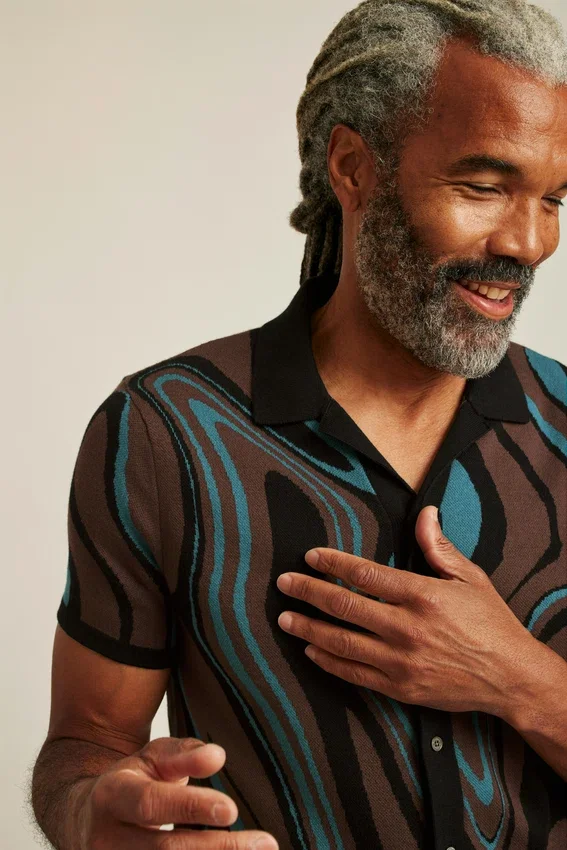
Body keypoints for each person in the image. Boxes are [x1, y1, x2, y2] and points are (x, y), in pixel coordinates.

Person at [31, 1, 567, 849]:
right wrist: (94, 817)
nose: (529, 242)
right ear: (353, 167)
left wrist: (522, 682)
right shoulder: (165, 433)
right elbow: (83, 745)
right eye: (482, 187)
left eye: (554, 199)